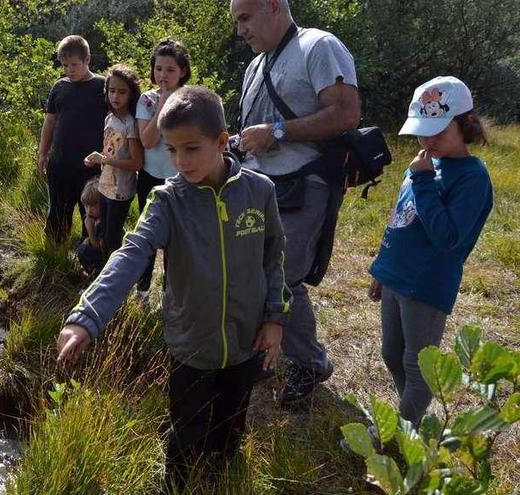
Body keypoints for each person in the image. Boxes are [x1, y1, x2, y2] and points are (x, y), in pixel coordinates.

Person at [56, 86, 291, 489]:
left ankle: (221, 480)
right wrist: (86, 318)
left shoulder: (259, 191)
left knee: (229, 433)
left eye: (191, 149)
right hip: (191, 345)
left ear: (221, 142)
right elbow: (131, 254)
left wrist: (274, 317)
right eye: (171, 150)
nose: (180, 162)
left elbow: (274, 258)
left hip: (243, 341)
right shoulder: (167, 201)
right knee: (185, 436)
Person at [230, 0, 362, 408]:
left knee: (284, 277)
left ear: (273, 6)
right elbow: (254, 131)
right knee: (254, 273)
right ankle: (267, 353)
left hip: (303, 187)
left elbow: (346, 113)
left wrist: (278, 132)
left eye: (245, 18)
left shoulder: (319, 46)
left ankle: (308, 362)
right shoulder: (256, 65)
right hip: (258, 186)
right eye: (236, 22)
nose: (240, 31)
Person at [369, 76, 492, 426]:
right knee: (391, 354)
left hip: (426, 285)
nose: (427, 140)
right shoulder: (425, 164)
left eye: (438, 131)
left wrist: (423, 181)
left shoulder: (472, 176)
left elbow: (447, 236)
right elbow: (400, 218)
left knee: (418, 364)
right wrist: (382, 268)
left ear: (465, 124)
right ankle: (415, 422)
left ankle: (395, 431)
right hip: (396, 277)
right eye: (422, 131)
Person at [134, 38, 192, 299]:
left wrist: (173, 100)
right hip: (149, 178)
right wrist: (163, 103)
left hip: (181, 179)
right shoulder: (147, 100)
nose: (163, 75)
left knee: (177, 241)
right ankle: (142, 291)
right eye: (158, 69)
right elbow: (147, 141)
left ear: (182, 71)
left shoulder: (191, 100)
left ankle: (171, 296)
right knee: (147, 235)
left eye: (170, 70)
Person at [38, 35, 108, 243]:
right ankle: (54, 257)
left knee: (92, 213)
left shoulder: (102, 86)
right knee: (58, 212)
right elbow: (50, 122)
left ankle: (90, 257)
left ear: (87, 60)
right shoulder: (59, 87)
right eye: (65, 65)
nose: (69, 69)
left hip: (92, 166)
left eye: (74, 64)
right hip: (60, 164)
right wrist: (42, 153)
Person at [83, 64, 143, 261]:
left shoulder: (130, 124)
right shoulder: (109, 118)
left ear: (131, 94)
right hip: (105, 185)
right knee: (103, 229)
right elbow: (109, 151)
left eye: (122, 92)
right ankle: (101, 272)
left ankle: (115, 279)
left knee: (112, 237)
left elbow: (136, 163)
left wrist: (106, 160)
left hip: (121, 190)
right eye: (112, 91)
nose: (116, 96)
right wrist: (96, 157)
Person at [75, 178, 105, 277]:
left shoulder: (103, 223)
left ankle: (97, 275)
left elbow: (99, 248)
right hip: (99, 249)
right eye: (86, 206)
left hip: (106, 256)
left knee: (82, 251)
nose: (89, 210)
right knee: (80, 242)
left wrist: (90, 229)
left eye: (93, 206)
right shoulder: (96, 218)